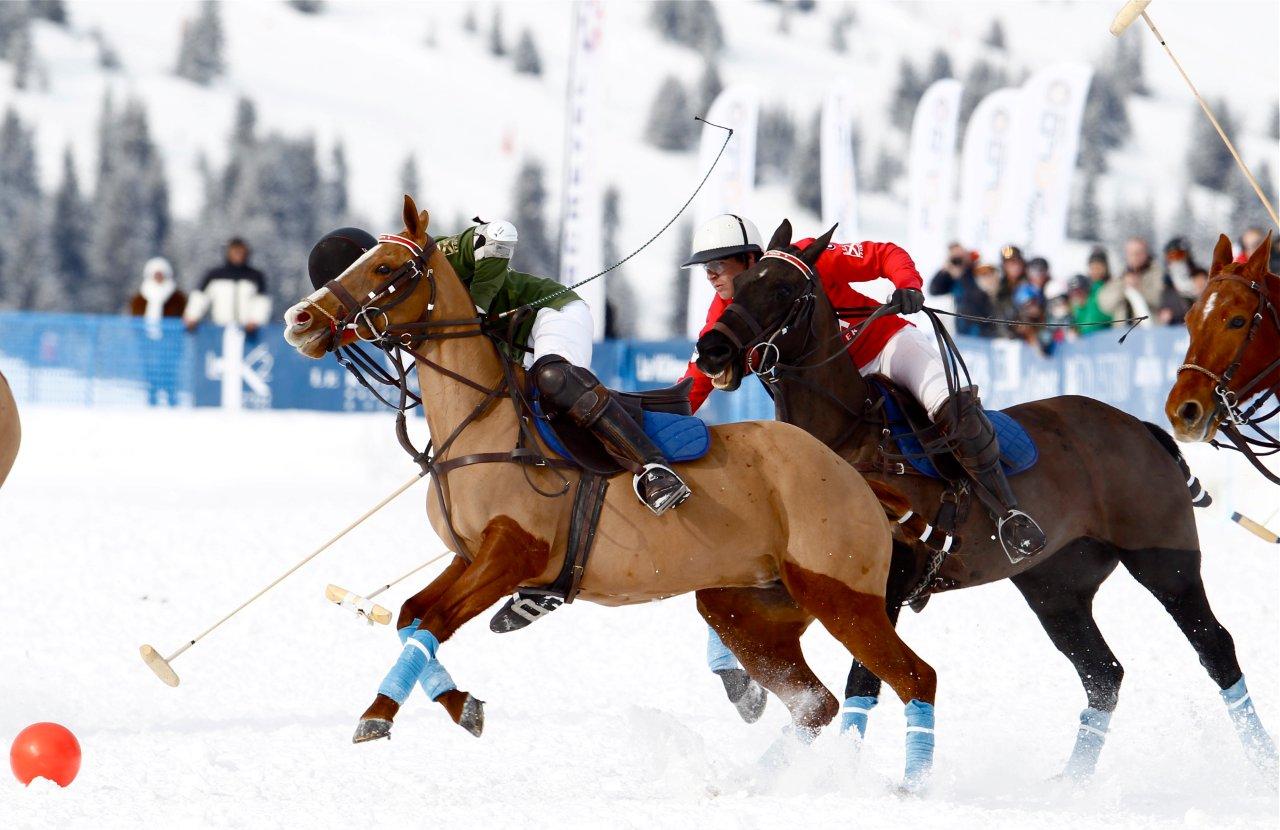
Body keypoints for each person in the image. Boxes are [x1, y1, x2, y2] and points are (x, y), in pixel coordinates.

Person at [306, 222, 690, 631]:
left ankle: (652, 468)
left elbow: (501, 234)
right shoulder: (393, 296)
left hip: (548, 314)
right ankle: (546, 575)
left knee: (554, 380)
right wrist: (326, 333)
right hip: (506, 346)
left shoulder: (427, 256)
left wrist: (480, 306)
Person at [681, 214, 1046, 559]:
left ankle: (1009, 514)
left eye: (717, 266)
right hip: (831, 393)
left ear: (749, 259)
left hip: (885, 347)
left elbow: (883, 255)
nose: (711, 276)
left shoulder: (809, 259)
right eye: (706, 270)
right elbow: (697, 379)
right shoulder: (724, 314)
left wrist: (907, 285)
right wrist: (669, 419)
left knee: (951, 408)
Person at [184, 238, 271, 334]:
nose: (238, 255)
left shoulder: (255, 276)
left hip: (249, 332)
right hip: (220, 330)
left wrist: (256, 321)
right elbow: (200, 297)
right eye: (235, 251)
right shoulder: (214, 275)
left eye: (241, 252)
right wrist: (192, 316)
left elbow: (262, 301)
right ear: (228, 253)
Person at [928, 242, 995, 337]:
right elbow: (933, 290)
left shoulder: (978, 270)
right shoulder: (953, 277)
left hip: (983, 331)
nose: (959, 260)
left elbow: (978, 294)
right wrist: (944, 270)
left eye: (961, 256)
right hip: (962, 332)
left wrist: (963, 273)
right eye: (955, 258)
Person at [1098, 237, 1161, 325]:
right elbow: (1104, 304)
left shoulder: (1158, 274)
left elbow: (1162, 300)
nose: (1135, 257)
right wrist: (1123, 286)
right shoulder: (1120, 277)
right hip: (1124, 333)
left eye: (1139, 253)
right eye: (1131, 253)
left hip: (1150, 330)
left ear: (1146, 253)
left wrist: (1140, 288)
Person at [1156, 236, 1207, 326]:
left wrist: (1202, 292)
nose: (1176, 260)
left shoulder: (1202, 277)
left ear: (1187, 256)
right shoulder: (1167, 286)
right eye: (1171, 256)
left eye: (1179, 255)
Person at [127, 257, 187, 322]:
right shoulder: (139, 299)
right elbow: (135, 318)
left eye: (160, 275)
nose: (158, 278)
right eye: (156, 275)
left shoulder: (178, 298)